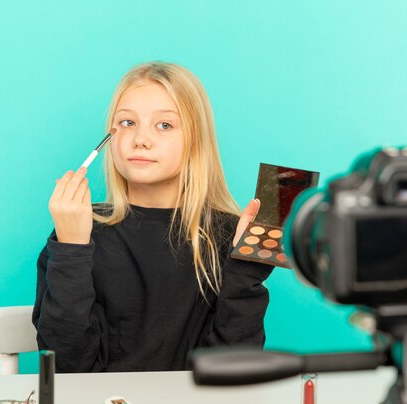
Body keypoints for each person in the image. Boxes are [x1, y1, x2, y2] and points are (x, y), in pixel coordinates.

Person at [32, 62, 274, 372]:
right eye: (128, 122)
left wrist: (246, 272)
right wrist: (71, 248)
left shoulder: (228, 234)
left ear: (196, 140)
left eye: (164, 125)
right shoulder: (78, 229)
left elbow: (234, 368)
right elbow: (66, 367)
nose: (140, 139)